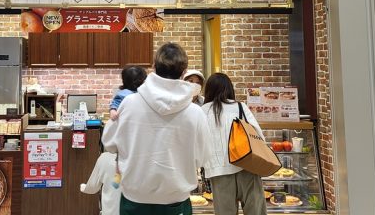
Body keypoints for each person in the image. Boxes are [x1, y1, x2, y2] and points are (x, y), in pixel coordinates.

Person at [102, 42, 209, 215]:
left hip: (134, 199)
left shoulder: (129, 103)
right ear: (183, 72)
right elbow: (202, 158)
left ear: (154, 66)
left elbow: (109, 143)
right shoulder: (195, 113)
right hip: (176, 200)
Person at [201, 72, 267, 215]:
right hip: (247, 167)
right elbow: (259, 137)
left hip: (219, 172)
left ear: (208, 90)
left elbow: (198, 144)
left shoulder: (202, 112)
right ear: (229, 89)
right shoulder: (240, 107)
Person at [80, 151, 121, 215]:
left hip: (110, 210)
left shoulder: (105, 158)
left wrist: (84, 187)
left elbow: (93, 187)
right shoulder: (135, 159)